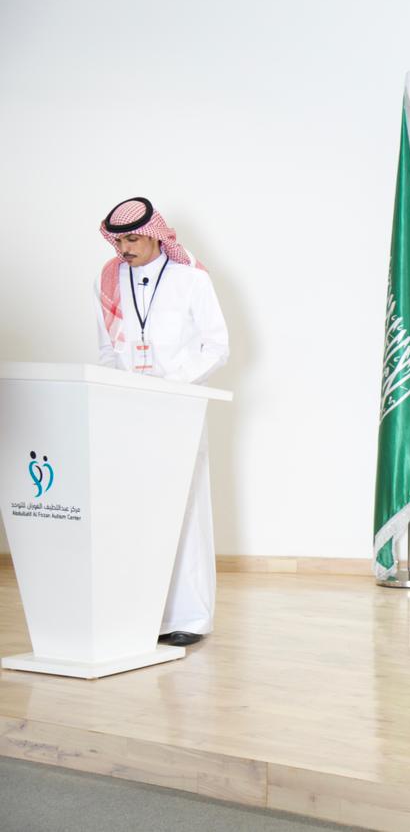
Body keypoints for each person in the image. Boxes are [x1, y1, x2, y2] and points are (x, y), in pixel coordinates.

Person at [95, 196, 229, 646]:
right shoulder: (108, 279)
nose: (124, 249)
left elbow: (216, 346)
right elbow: (107, 350)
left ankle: (189, 617)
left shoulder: (190, 279)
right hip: (128, 409)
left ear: (156, 236)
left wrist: (171, 384)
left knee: (185, 508)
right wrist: (119, 390)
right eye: (119, 241)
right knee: (136, 510)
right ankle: (142, 616)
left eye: (133, 239)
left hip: (178, 406)